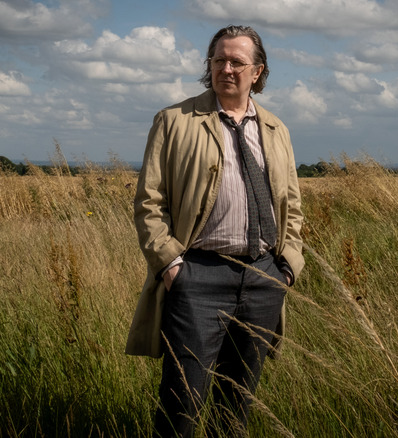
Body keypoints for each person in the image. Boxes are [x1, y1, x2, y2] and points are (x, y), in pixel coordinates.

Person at [125, 25, 304, 437]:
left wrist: (288, 267)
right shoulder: (175, 121)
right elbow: (149, 202)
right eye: (218, 60)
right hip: (197, 278)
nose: (226, 68)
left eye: (237, 62)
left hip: (263, 279)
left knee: (235, 407)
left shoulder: (276, 130)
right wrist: (172, 265)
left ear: (257, 71)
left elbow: (292, 207)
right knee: (181, 406)